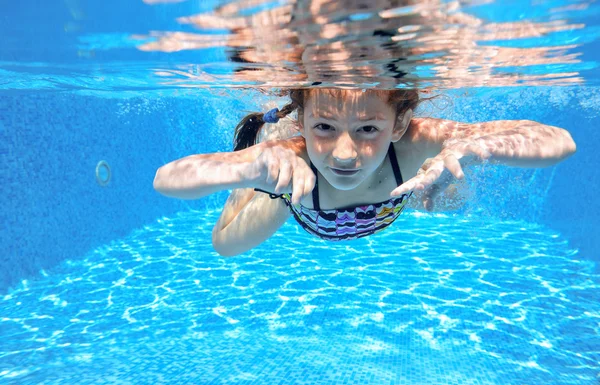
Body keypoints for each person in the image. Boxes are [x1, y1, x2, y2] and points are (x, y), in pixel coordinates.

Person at [153, 87, 577, 256]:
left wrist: (479, 147)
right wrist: (245, 171)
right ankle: (262, 166)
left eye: (367, 128)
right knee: (228, 242)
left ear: (397, 124)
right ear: (302, 123)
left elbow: (558, 140)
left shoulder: (416, 141)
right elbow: (167, 177)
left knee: (448, 194)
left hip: (393, 196)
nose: (343, 153)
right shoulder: (292, 159)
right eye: (324, 127)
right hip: (302, 204)